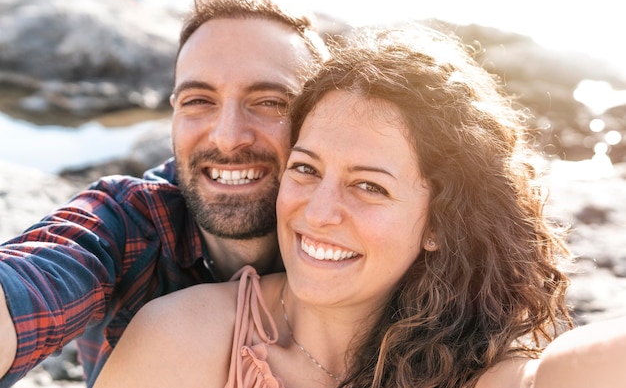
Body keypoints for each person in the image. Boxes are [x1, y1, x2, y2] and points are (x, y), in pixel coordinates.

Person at [93, 24, 626, 388]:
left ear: (439, 221)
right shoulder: (186, 337)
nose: (319, 212)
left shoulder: (476, 370)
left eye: (369, 186)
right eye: (305, 169)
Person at [0, 0, 328, 387]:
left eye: (270, 102)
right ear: (172, 114)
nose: (227, 138)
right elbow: (38, 273)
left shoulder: (352, 241)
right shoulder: (122, 224)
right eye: (199, 100)